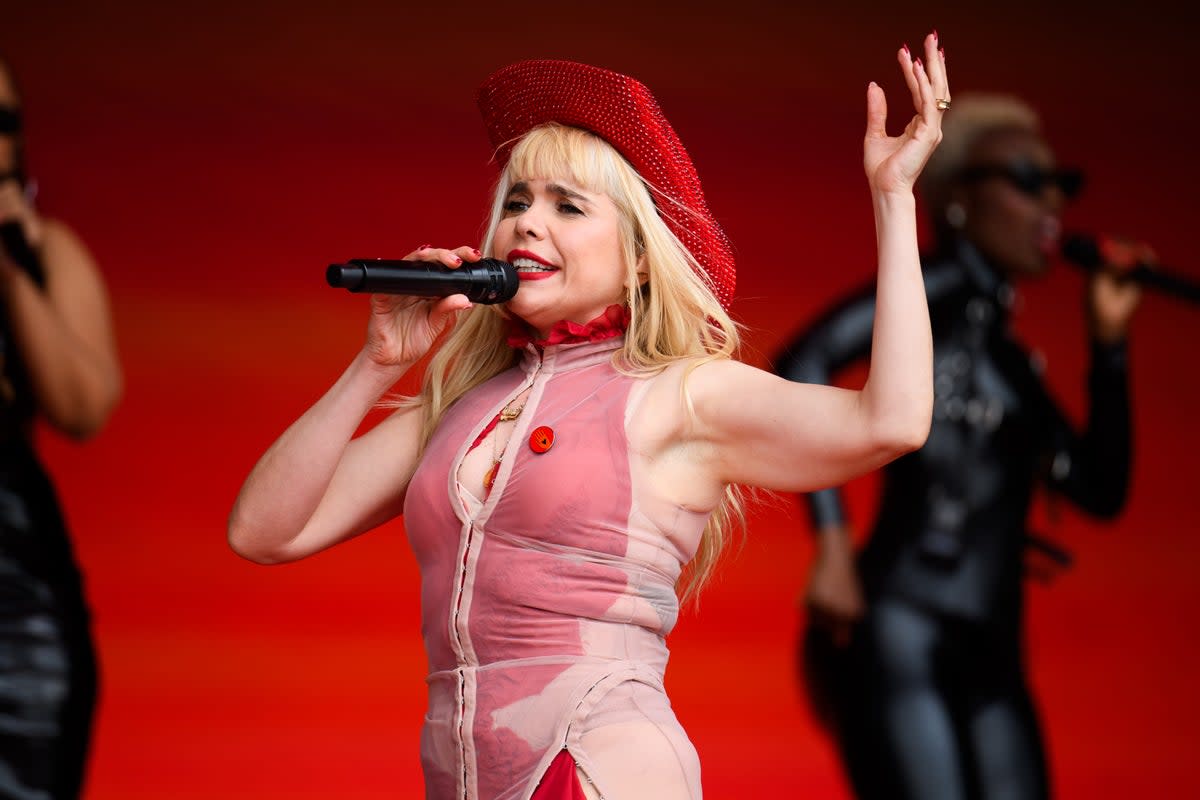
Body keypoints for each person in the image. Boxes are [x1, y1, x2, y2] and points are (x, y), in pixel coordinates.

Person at [229, 33, 949, 799]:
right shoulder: (461, 407)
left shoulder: (679, 392)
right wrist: (377, 362)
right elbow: (264, 531)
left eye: (568, 206)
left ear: (641, 256)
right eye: (516, 201)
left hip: (597, 772)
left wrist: (893, 201)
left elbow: (893, 421)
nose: (528, 225)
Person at [774, 92, 1141, 800]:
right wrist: (832, 544)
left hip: (996, 648)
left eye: (1059, 186)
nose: (1051, 206)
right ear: (958, 201)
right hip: (900, 630)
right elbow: (802, 359)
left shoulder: (1010, 363)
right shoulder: (925, 299)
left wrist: (1110, 348)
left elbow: (1100, 488)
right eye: (1027, 183)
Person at [0, 55, 123, 799]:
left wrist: (9, 266)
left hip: (17, 605)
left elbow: (83, 406)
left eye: (5, 122)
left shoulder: (47, 254)